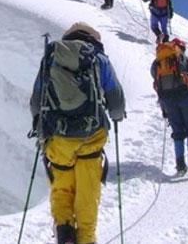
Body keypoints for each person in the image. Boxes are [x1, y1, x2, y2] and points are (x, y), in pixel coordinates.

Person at [29, 22, 125, 244]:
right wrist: (117, 116)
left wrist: (39, 124)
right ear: (94, 39)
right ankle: (86, 238)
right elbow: (116, 101)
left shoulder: (52, 57)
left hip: (58, 139)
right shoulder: (99, 59)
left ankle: (64, 232)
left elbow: (36, 100)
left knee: (62, 187)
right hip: (91, 136)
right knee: (87, 193)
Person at [151, 38, 188, 176]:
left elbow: (158, 85)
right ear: (181, 47)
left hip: (168, 100)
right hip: (185, 97)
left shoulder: (158, 62)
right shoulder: (185, 60)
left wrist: (164, 109)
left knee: (178, 133)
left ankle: (180, 165)